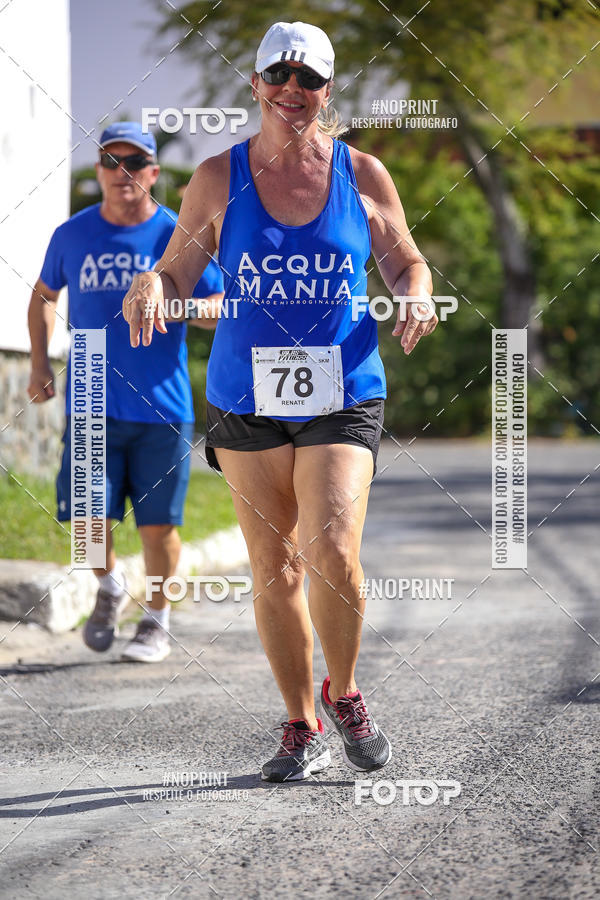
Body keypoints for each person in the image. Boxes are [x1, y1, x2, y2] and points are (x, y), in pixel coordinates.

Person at [122, 22, 437, 779]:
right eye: (279, 77)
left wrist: (418, 294)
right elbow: (178, 274)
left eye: (309, 80)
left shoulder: (362, 173)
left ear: (328, 90)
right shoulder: (216, 177)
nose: (293, 91)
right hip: (244, 395)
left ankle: (346, 691)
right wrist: (149, 286)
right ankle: (300, 723)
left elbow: (403, 260)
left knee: (332, 551)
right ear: (257, 84)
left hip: (343, 386)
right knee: (275, 566)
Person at [28, 122, 224, 663]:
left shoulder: (174, 234)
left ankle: (156, 622)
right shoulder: (73, 234)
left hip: (161, 401)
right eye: (111, 162)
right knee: (88, 525)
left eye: (134, 163)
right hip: (88, 390)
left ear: (153, 174)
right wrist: (40, 362)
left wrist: (174, 304)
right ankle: (111, 587)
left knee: (159, 528)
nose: (122, 173)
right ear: (98, 172)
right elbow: (43, 296)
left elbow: (219, 306)